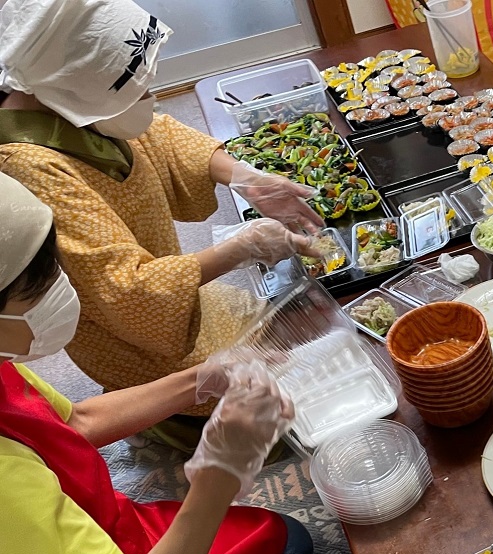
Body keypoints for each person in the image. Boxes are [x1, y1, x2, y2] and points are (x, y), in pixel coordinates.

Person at [0, 172, 347, 554]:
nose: (59, 295)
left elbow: (77, 422)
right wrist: (219, 474)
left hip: (106, 536)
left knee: (290, 542)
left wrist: (200, 379)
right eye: (35, 292)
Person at [0, 0, 325, 435]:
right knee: (272, 403)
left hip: (177, 292)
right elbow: (125, 291)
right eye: (132, 91)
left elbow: (155, 134)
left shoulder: (68, 100)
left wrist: (245, 177)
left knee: (281, 337)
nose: (146, 98)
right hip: (136, 333)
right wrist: (241, 249)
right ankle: (169, 418)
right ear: (73, 88)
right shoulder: (27, 168)